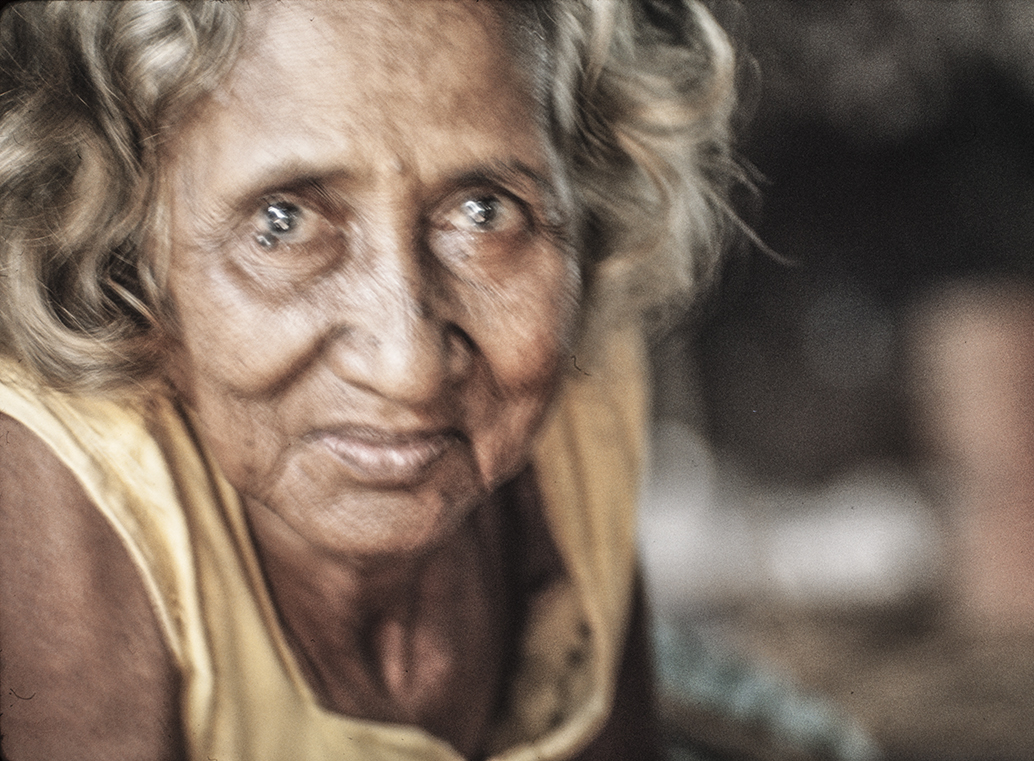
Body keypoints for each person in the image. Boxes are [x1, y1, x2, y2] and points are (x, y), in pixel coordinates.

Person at [0, 1, 738, 759]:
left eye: (484, 212)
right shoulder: (50, 498)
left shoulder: (575, 360)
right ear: (122, 253)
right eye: (282, 222)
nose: (407, 368)